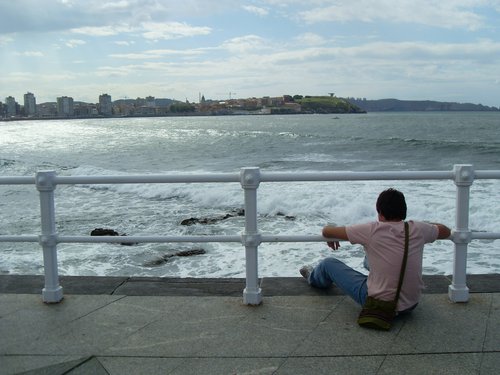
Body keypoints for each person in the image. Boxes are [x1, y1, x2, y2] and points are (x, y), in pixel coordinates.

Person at [300, 188, 451, 314]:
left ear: (380, 214)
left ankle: (313, 277)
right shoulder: (419, 228)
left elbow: (327, 230)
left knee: (328, 264)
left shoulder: (371, 230)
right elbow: (446, 231)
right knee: (370, 258)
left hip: (379, 304)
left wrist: (330, 233)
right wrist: (426, 225)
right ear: (404, 212)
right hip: (411, 304)